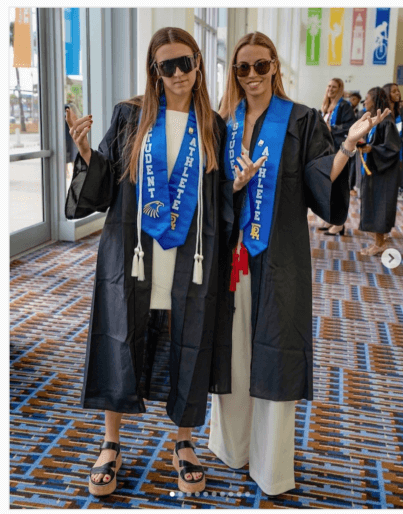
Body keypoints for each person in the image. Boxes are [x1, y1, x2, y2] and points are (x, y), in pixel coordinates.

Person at [209, 32, 389, 497]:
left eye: (261, 66)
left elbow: (318, 180)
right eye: (242, 68)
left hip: (280, 254)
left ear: (275, 67)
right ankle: (233, 447)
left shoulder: (302, 119)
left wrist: (347, 146)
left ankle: (270, 464)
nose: (252, 76)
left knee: (275, 351)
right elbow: (207, 190)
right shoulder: (221, 123)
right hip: (230, 255)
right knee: (232, 350)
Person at [64, 27, 230, 496]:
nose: (178, 73)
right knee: (120, 334)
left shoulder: (213, 125)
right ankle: (111, 443)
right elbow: (106, 185)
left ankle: (183, 442)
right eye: (166, 66)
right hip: (133, 251)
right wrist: (84, 153)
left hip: (189, 255)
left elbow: (218, 199)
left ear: (199, 63)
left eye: (185, 62)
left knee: (189, 339)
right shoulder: (131, 115)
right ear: (154, 71)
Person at [358, 87, 401, 256]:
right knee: (374, 204)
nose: (365, 102)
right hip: (375, 170)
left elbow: (392, 148)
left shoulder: (386, 122)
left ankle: (380, 243)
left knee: (380, 205)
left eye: (366, 98)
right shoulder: (377, 121)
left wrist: (371, 149)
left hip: (384, 173)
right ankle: (377, 241)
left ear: (374, 100)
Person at [319, 78, 356, 236]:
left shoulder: (344, 106)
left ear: (340, 89)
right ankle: (331, 218)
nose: (330, 89)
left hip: (340, 151)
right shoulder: (326, 107)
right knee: (330, 187)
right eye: (328, 86)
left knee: (339, 187)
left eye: (334, 87)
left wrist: (332, 128)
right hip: (327, 150)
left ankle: (339, 224)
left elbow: (350, 127)